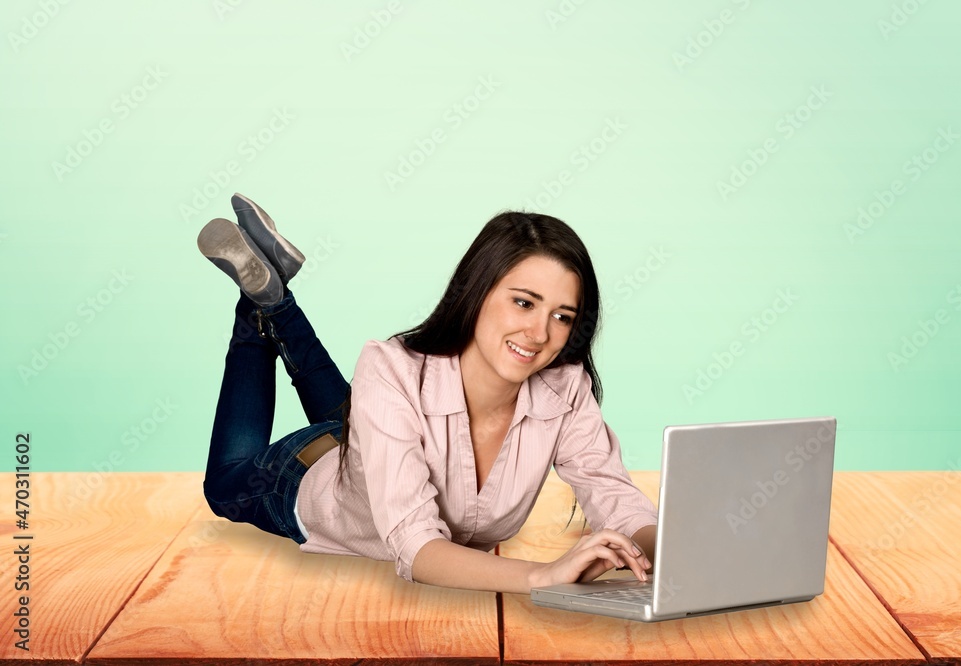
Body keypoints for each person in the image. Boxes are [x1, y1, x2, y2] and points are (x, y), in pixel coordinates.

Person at [198, 193, 658, 595]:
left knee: (348, 415)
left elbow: (613, 493)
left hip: (372, 439)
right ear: (477, 292)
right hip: (301, 477)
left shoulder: (565, 387)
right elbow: (417, 547)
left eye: (562, 316)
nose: (539, 333)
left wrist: (667, 555)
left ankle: (271, 285)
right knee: (223, 487)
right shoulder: (393, 369)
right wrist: (544, 576)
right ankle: (259, 303)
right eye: (524, 302)